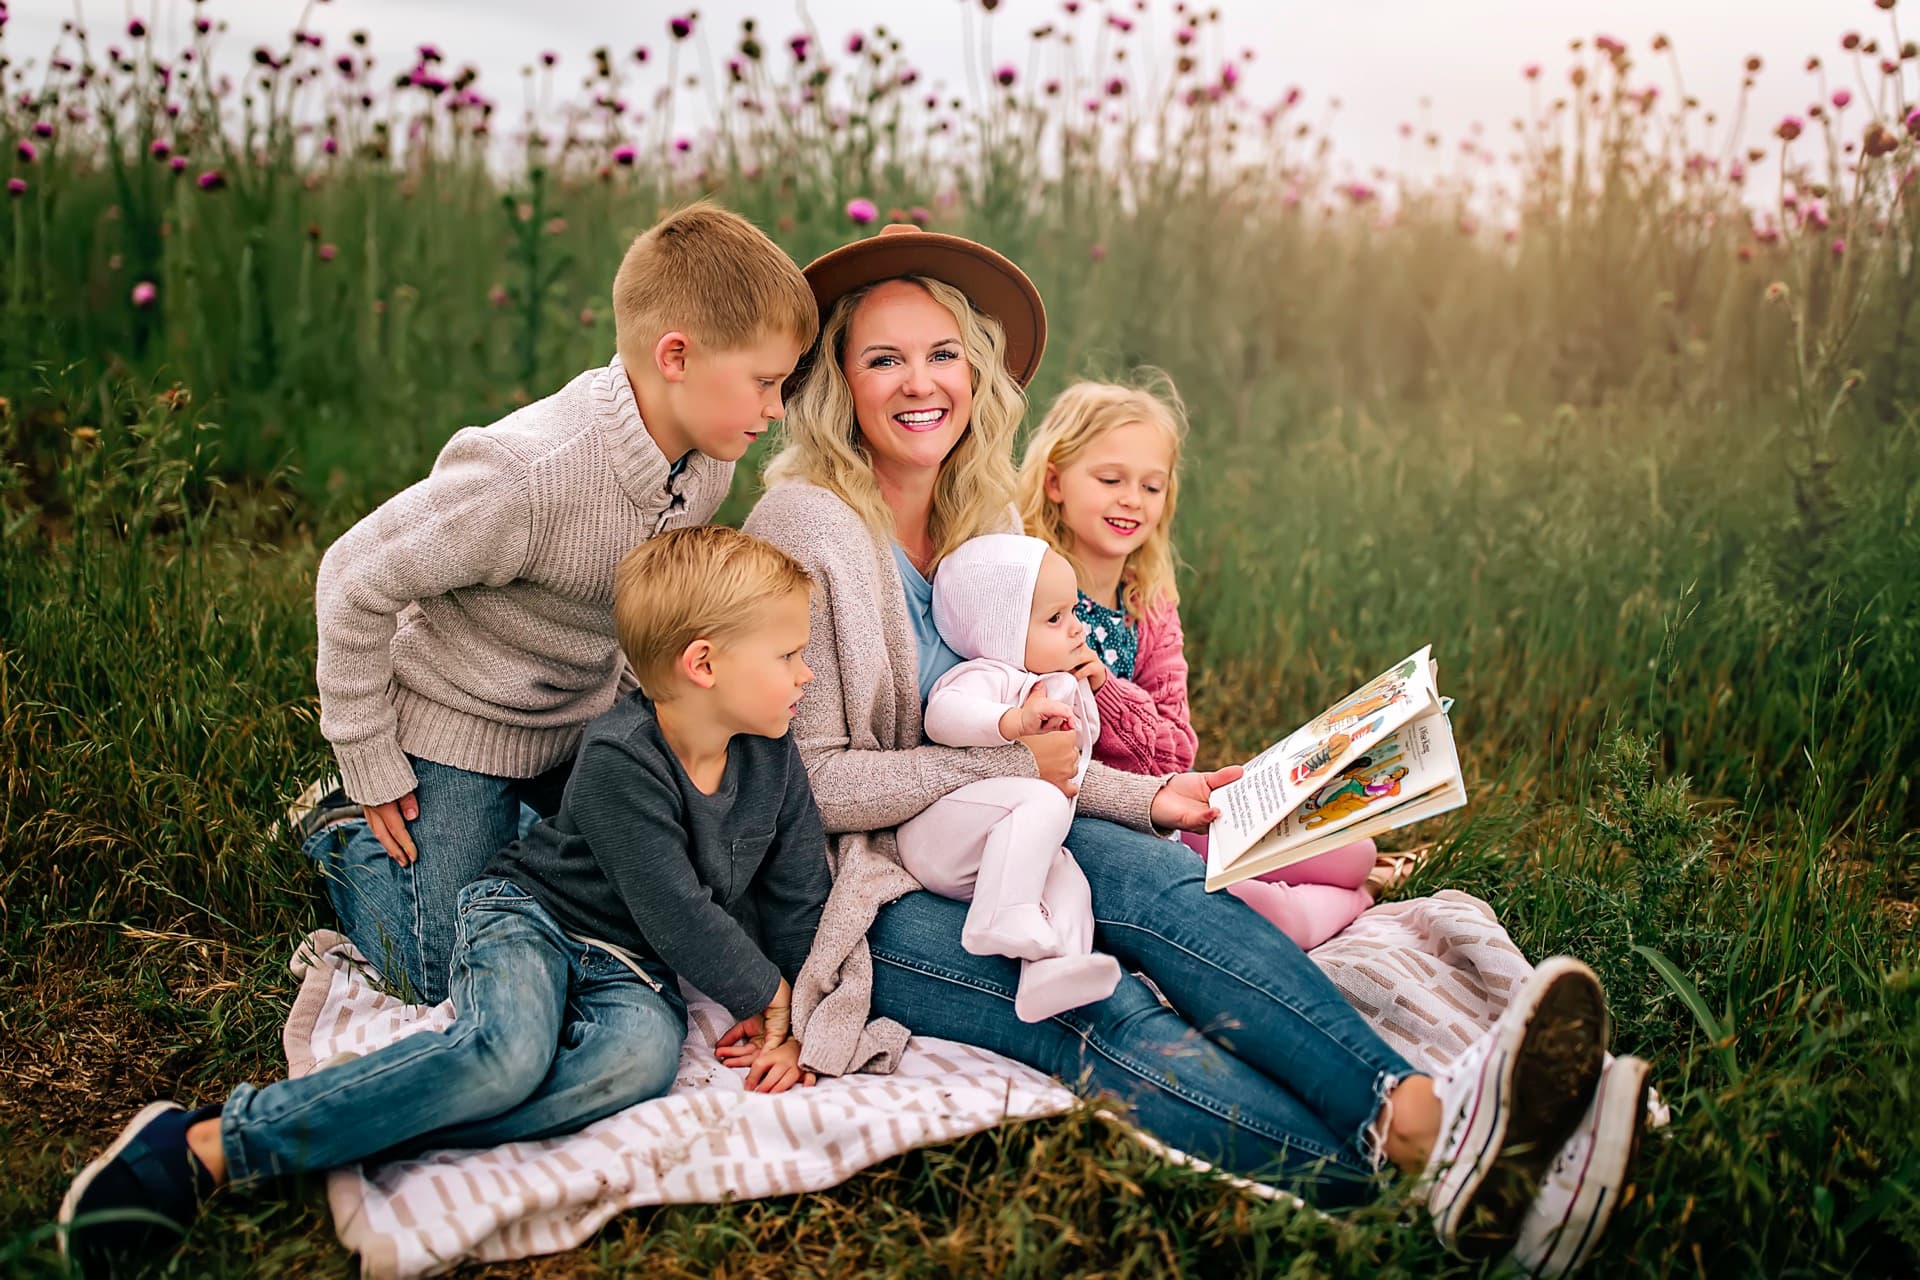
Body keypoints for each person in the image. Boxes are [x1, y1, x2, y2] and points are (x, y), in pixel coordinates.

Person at [742, 222, 1644, 1269]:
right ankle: (1430, 1167)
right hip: (867, 889)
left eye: (942, 352)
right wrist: (997, 769)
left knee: (1171, 890)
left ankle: (1422, 1121)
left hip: (1010, 827)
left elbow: (1037, 735)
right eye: (883, 358)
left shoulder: (981, 510)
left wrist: (1151, 796)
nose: (920, 382)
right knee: (1092, 999)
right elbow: (806, 782)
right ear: (838, 381)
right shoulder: (803, 524)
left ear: (977, 370)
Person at [60, 526, 832, 1278]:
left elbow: (796, 889)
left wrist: (796, 1019)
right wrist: (765, 995)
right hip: (534, 917)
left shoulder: (774, 754)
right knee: (507, 1055)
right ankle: (213, 1144)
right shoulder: (619, 759)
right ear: (703, 664)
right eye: (789, 655)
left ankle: (356, 1129)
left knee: (631, 1068)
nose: (805, 676)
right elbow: (676, 911)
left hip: (634, 966)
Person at [294, 203, 816, 1003]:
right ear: (675, 355)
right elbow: (352, 577)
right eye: (764, 383)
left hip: (581, 723)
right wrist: (365, 747)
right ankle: (340, 831)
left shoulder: (706, 461)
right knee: (439, 976)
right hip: (459, 723)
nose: (775, 410)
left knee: (658, 902)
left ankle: (522, 834)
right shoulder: (527, 473)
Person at [1016, 374, 1376, 950]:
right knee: (1260, 913)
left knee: (1353, 850)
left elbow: (1178, 748)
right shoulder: (1034, 596)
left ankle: (1355, 890)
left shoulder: (1149, 602)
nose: (1132, 499)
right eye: (1110, 479)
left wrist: (1105, 686)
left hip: (1176, 798)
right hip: (1102, 824)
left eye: (1152, 487)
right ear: (1055, 482)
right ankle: (1348, 908)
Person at [896, 533, 1122, 1022]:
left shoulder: (1054, 679)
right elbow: (942, 716)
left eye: (1074, 612)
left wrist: (1090, 689)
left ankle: (1052, 972)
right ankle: (999, 918)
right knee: (1041, 805)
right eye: (1055, 618)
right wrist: (1012, 723)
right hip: (940, 837)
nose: (1078, 629)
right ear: (1002, 630)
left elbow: (1078, 760)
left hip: (994, 853)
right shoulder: (989, 674)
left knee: (1067, 881)